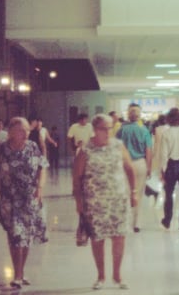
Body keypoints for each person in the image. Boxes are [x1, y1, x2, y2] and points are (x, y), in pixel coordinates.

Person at [73, 113, 137, 290]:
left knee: (119, 237)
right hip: (95, 202)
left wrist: (134, 192)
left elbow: (130, 169)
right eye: (104, 129)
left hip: (118, 200)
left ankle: (117, 275)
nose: (108, 132)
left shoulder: (118, 146)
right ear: (95, 130)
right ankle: (101, 275)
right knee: (98, 238)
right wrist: (78, 202)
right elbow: (76, 178)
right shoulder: (85, 150)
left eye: (110, 128)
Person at [0, 117, 49, 290]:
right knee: (15, 235)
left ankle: (21, 272)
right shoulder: (2, 149)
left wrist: (40, 188)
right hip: (9, 199)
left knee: (26, 236)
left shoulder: (32, 147)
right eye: (22, 130)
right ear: (11, 131)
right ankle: (17, 275)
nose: (26, 133)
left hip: (29, 198)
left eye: (27, 130)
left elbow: (42, 167)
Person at [116, 103, 153, 233]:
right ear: (138, 116)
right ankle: (137, 223)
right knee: (138, 194)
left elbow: (117, 149)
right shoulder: (144, 131)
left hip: (125, 164)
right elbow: (148, 150)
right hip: (140, 163)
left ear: (128, 114)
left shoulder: (121, 130)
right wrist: (149, 167)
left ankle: (125, 222)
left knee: (125, 194)